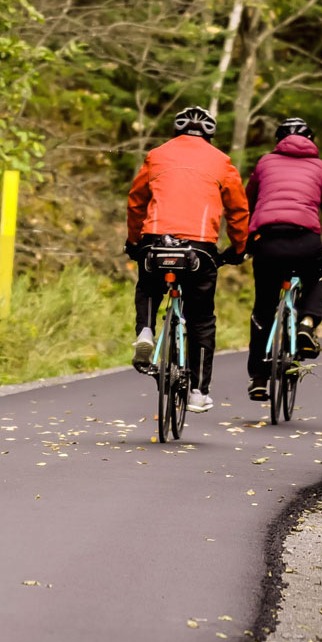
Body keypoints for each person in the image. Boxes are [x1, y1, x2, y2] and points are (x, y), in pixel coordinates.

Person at [125, 105, 250, 413]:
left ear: (176, 130)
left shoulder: (157, 155)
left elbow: (136, 201)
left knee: (149, 285)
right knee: (202, 319)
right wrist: (238, 248)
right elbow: (238, 211)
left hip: (156, 240)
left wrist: (134, 240)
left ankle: (146, 331)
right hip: (200, 248)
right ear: (209, 134)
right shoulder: (221, 161)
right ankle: (197, 391)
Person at [244, 117, 322, 402]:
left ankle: (258, 379)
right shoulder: (318, 167)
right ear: (311, 140)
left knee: (263, 309)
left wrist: (243, 244)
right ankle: (306, 324)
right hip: (305, 241)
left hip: (267, 242)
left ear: (278, 141)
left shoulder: (265, 163)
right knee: (315, 277)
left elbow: (246, 205)